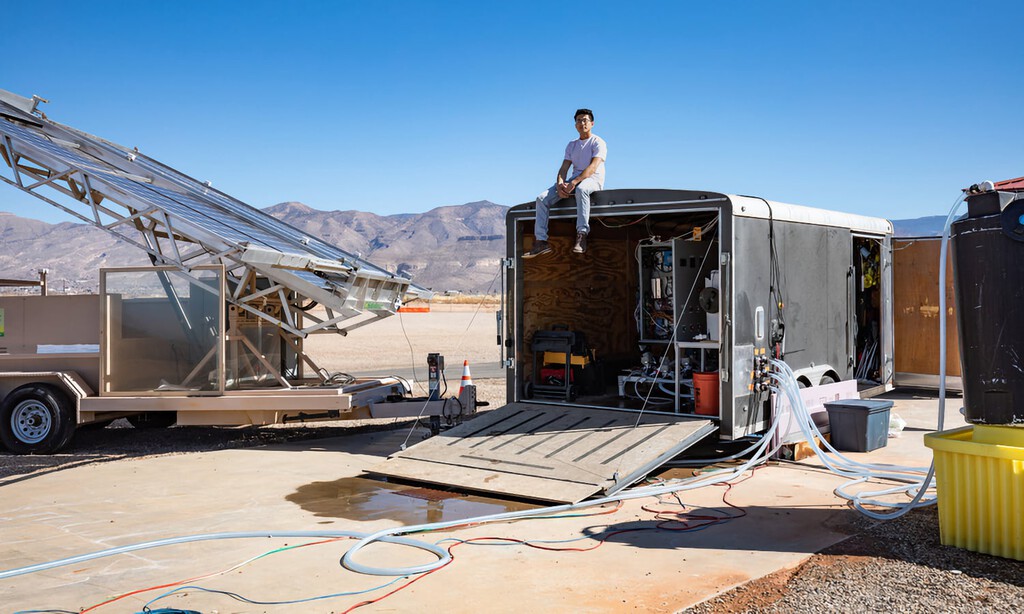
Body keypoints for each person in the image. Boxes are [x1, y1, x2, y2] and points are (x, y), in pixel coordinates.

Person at [524, 108, 606, 258]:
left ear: (592, 123)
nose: (582, 123)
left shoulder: (598, 142)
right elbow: (563, 169)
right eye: (579, 120)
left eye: (585, 120)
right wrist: (560, 185)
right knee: (541, 199)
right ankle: (541, 241)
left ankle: (581, 235)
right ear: (575, 125)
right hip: (573, 181)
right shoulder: (571, 145)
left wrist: (573, 182)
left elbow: (593, 167)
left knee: (582, 190)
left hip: (593, 180)